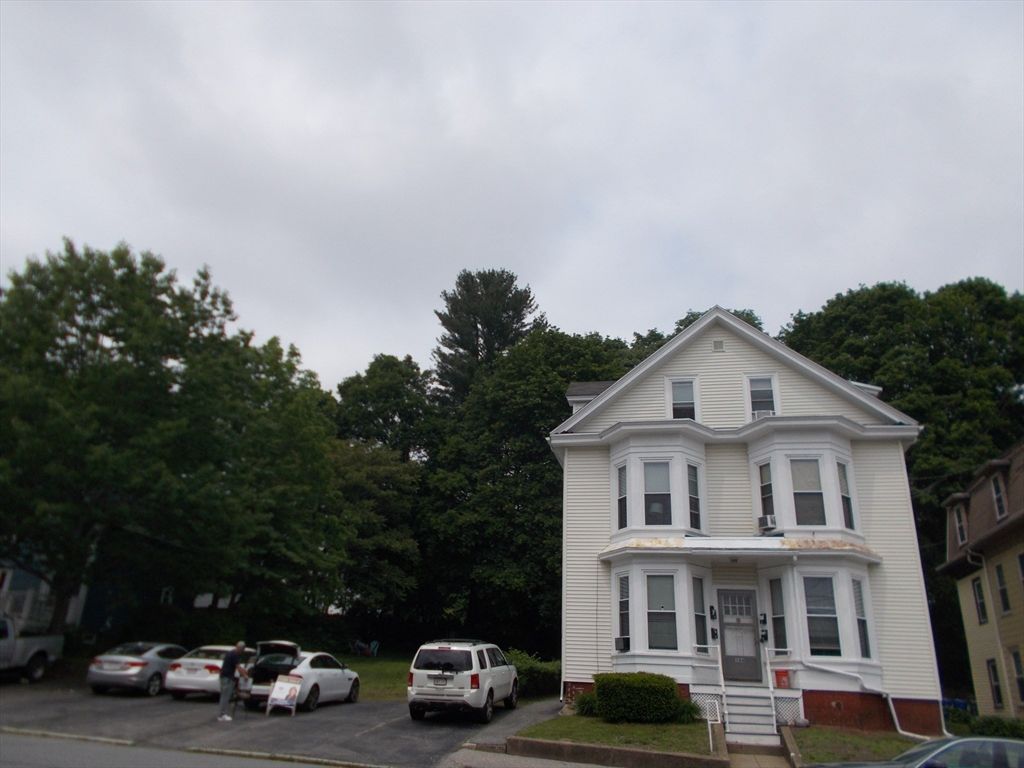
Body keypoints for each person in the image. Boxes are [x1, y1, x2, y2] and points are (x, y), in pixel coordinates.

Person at [217, 641, 248, 722]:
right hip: (227, 678)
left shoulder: (230, 653)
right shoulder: (235, 655)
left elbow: (237, 666)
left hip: (224, 676)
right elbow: (238, 667)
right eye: (242, 650)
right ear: (241, 648)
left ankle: (222, 713)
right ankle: (221, 715)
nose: (242, 651)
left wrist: (243, 671)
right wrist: (244, 675)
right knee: (225, 696)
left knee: (224, 695)